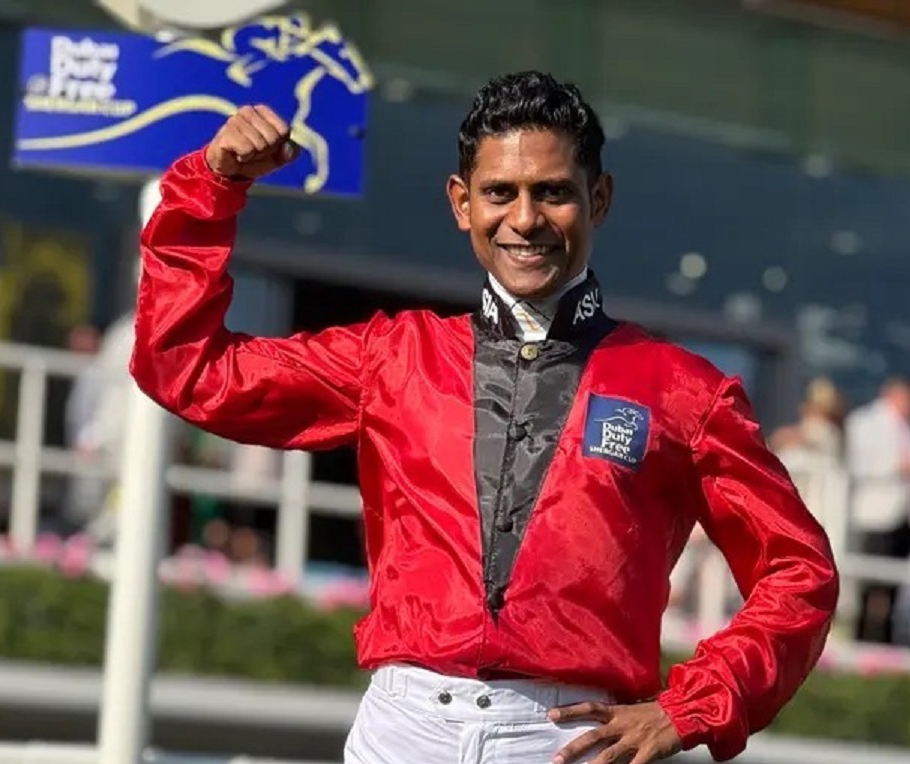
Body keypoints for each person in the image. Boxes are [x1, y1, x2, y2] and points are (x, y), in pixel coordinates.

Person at [130, 71, 839, 764]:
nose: (525, 220)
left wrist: (689, 708)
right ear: (461, 202)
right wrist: (211, 187)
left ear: (598, 198)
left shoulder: (684, 391)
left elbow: (798, 570)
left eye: (553, 192)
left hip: (571, 740)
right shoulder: (393, 357)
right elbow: (187, 367)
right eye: (501, 192)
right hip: (402, 733)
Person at [844, 376, 910, 644]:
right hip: (875, 514)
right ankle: (864, 636)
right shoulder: (864, 423)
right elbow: (858, 466)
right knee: (870, 582)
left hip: (904, 514)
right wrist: (896, 466)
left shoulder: (909, 428)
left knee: (893, 583)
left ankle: (886, 636)